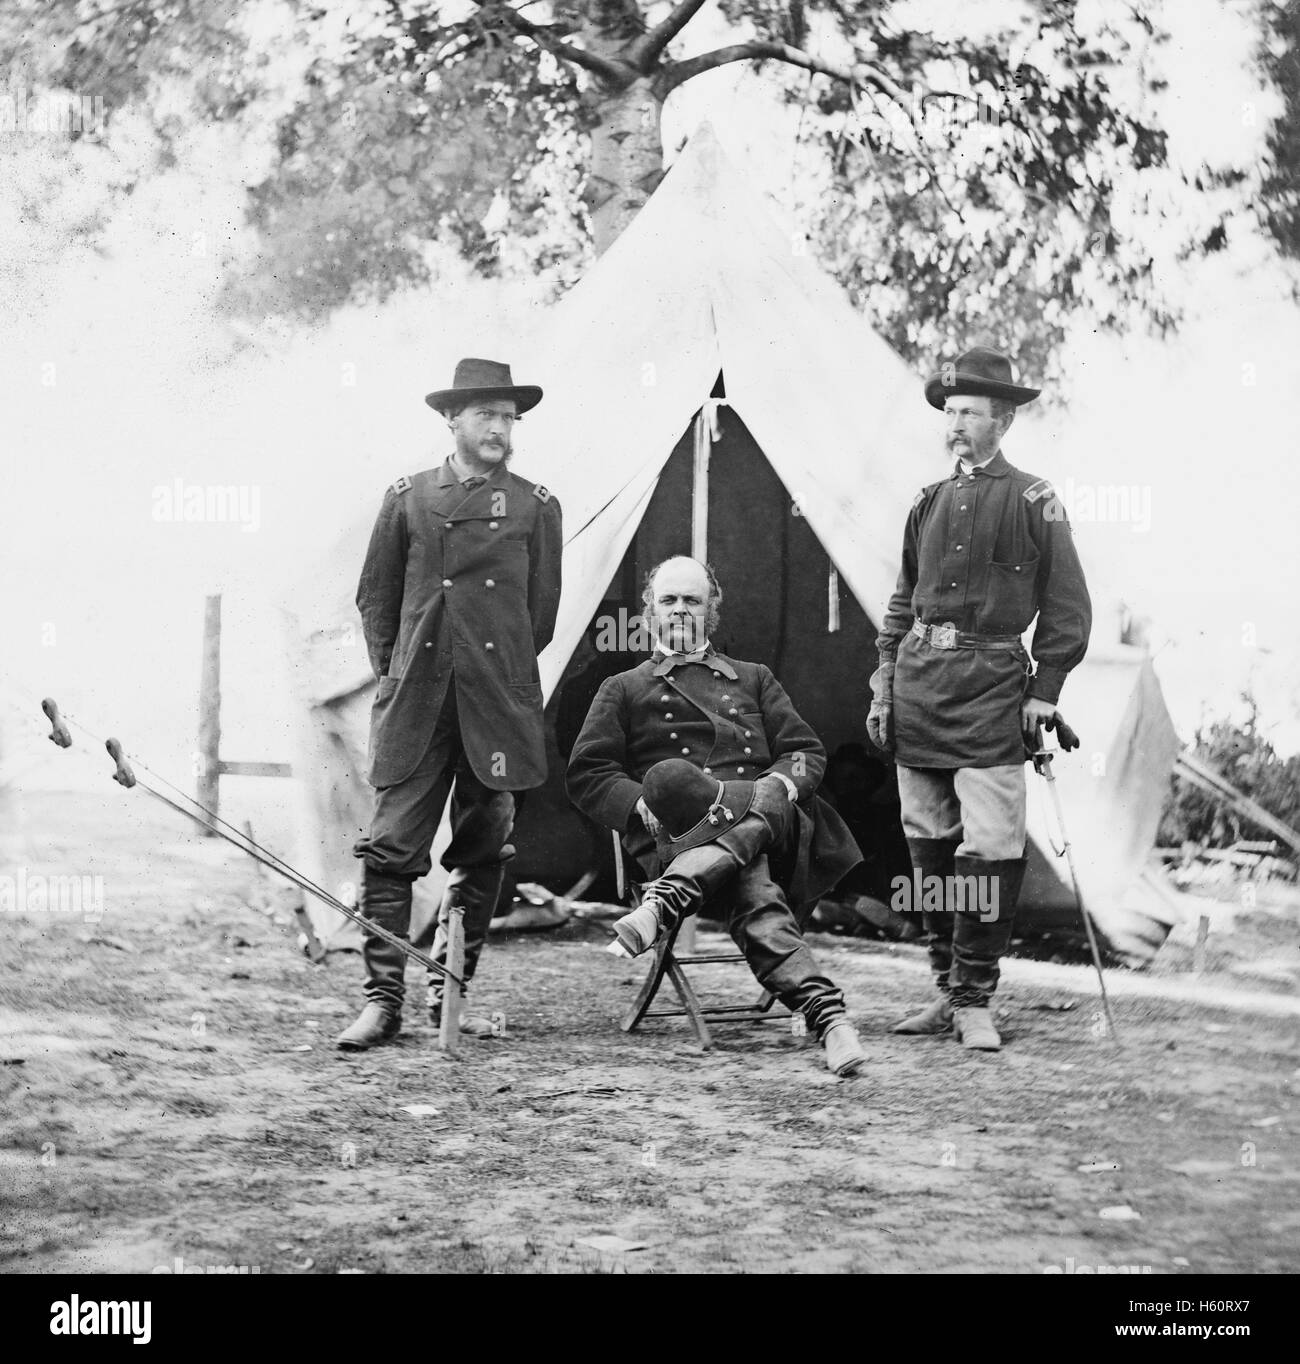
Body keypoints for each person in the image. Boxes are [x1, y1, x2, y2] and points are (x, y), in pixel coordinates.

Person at [867, 346, 1092, 1050]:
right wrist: (884, 687)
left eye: (970, 412)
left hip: (994, 690)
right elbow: (902, 604)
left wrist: (1042, 694)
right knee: (928, 846)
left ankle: (975, 998)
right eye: (951, 411)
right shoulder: (926, 502)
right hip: (920, 688)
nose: (956, 423)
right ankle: (943, 989)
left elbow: (1066, 608)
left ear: (1003, 421)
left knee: (989, 849)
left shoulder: (1035, 499)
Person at [566, 555, 868, 1077]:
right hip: (680, 831)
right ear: (649, 611)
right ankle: (830, 1017)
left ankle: (668, 902)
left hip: (770, 826)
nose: (680, 610)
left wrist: (776, 785)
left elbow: (803, 753)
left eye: (692, 600)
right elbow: (589, 772)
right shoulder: (623, 687)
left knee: (766, 796)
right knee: (683, 799)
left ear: (712, 611)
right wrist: (639, 802)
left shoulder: (754, 678)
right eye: (669, 600)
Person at [337, 358, 563, 1050]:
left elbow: (541, 616)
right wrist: (405, 673)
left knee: (485, 850)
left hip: (497, 706)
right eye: (486, 415)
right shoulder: (408, 498)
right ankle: (382, 1002)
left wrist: (490, 666)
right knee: (389, 850)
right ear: (452, 420)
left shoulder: (536, 505)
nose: (500, 429)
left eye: (509, 417)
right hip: (418, 707)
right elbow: (376, 601)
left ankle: (448, 990)